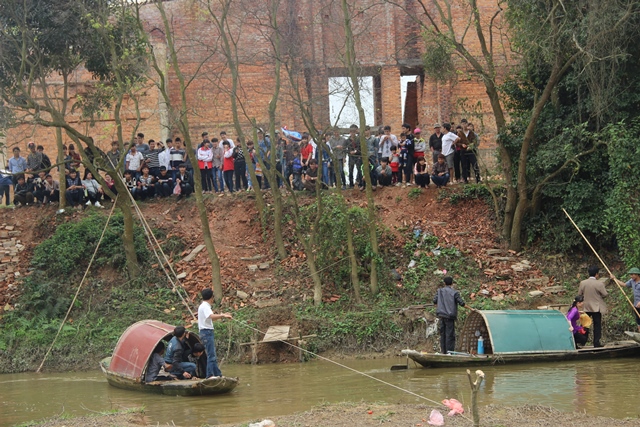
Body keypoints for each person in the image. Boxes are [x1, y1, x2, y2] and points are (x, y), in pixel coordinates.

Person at [198, 288, 233, 378]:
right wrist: (223, 315)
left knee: (212, 355)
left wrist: (223, 314)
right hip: (206, 332)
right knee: (211, 355)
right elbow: (211, 316)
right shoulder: (205, 306)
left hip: (205, 332)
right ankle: (210, 375)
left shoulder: (203, 306)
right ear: (211, 297)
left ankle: (218, 374)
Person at [433, 276, 466, 354]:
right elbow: (461, 303)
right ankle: (449, 352)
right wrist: (470, 308)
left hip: (441, 315)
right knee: (450, 335)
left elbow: (434, 301)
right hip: (450, 317)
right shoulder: (454, 292)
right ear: (452, 283)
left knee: (443, 334)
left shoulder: (439, 291)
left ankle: (443, 352)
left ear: (444, 283)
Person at [578, 265, 607, 348]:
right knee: (597, 325)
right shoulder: (599, 283)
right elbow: (605, 294)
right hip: (596, 307)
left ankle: (582, 341)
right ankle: (596, 342)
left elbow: (579, 294)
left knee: (585, 324)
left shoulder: (583, 283)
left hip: (586, 307)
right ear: (596, 274)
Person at [625, 267, 640, 332]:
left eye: (632, 274)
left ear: (637, 274)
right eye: (630, 274)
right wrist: (615, 279)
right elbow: (624, 284)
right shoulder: (632, 281)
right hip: (636, 305)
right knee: (638, 320)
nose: (631, 276)